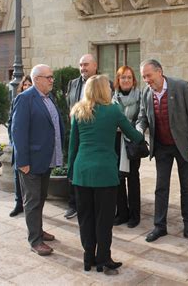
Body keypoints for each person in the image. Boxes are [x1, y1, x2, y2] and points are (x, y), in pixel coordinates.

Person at [67, 75, 143, 274]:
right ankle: (103, 259)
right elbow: (134, 136)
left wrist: (70, 171)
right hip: (105, 173)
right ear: (104, 90)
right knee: (104, 219)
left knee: (85, 218)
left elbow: (73, 145)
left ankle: (88, 258)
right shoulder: (113, 111)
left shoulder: (77, 112)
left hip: (82, 172)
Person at [136, 58, 188, 242]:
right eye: (144, 77)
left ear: (160, 71)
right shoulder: (146, 93)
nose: (147, 80)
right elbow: (143, 116)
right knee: (161, 187)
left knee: (187, 187)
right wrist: (139, 129)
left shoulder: (181, 86)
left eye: (149, 75)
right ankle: (160, 226)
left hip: (184, 146)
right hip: (162, 147)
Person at [12, 64, 64, 256]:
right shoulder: (25, 99)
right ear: (36, 79)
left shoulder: (48, 98)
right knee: (32, 201)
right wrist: (23, 162)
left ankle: (38, 230)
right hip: (31, 163)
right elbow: (18, 132)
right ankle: (35, 241)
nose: (52, 80)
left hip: (46, 160)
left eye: (52, 76)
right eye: (48, 77)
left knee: (41, 199)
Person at [64, 53, 98, 219]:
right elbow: (68, 104)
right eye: (81, 65)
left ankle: (92, 203)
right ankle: (73, 204)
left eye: (86, 64)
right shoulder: (73, 83)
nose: (83, 68)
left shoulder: (104, 84)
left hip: (93, 136)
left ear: (95, 66)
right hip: (76, 132)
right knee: (73, 165)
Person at [112, 66, 142, 228]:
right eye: (123, 77)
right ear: (118, 80)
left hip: (132, 142)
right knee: (118, 178)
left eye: (129, 77)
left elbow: (142, 117)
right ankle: (121, 213)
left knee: (133, 179)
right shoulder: (112, 97)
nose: (126, 80)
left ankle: (134, 215)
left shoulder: (140, 96)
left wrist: (129, 129)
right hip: (116, 142)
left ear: (133, 80)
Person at [8, 75, 32, 217]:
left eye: (30, 85)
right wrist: (12, 141)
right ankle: (18, 203)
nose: (27, 87)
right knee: (17, 175)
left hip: (31, 147)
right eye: (25, 85)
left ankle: (29, 204)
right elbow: (11, 122)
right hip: (18, 146)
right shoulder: (17, 100)